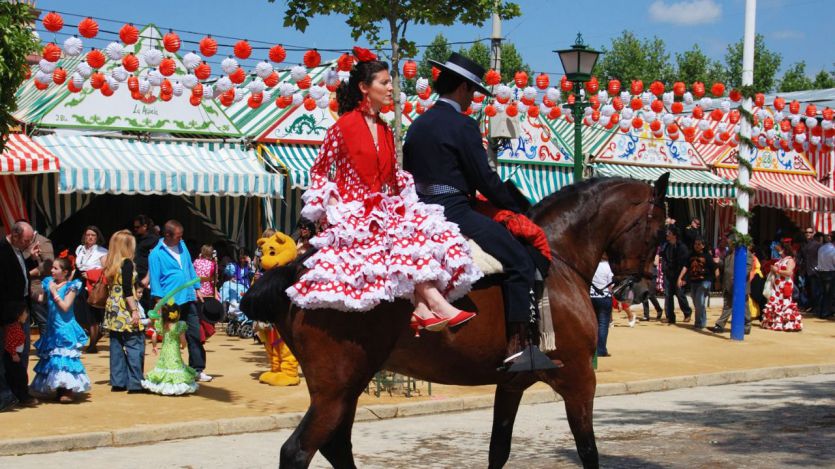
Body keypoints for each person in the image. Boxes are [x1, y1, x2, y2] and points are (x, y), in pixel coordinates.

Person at [286, 47, 481, 338]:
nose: (391, 88)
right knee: (403, 237)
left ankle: (423, 307)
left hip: (385, 209)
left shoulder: (387, 130)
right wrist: (333, 199)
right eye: (384, 82)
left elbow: (391, 178)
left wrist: (405, 202)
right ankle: (430, 303)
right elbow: (319, 170)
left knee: (421, 234)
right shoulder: (343, 127)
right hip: (354, 213)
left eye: (390, 82)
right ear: (365, 88)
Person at [403, 52, 556, 372]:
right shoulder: (462, 125)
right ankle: (520, 347)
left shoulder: (416, 125)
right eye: (471, 91)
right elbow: (483, 179)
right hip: (455, 211)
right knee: (520, 260)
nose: (472, 99)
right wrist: (519, 206)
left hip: (419, 212)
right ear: (461, 88)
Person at [148, 220, 210, 382]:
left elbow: (189, 267)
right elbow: (154, 279)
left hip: (189, 297)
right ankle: (173, 369)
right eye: (178, 236)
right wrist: (159, 302)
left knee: (195, 334)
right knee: (172, 336)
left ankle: (197, 369)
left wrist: (197, 288)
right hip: (170, 301)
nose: (181, 238)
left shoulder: (182, 246)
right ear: (167, 235)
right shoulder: (156, 253)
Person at [31, 257, 91, 403]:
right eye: (52, 268)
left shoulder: (72, 286)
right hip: (52, 328)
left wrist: (54, 292)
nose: (52, 270)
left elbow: (65, 307)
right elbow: (41, 299)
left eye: (55, 268)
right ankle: (58, 387)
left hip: (65, 328)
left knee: (65, 358)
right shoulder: (48, 283)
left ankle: (67, 390)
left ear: (65, 272)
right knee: (53, 358)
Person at [0, 221, 41, 411]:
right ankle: (7, 394)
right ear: (15, 235)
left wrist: (31, 259)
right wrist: (11, 314)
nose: (28, 243)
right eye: (26, 240)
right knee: (9, 355)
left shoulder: (18, 250)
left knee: (20, 354)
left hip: (21, 310)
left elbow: (21, 274)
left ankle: (20, 391)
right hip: (8, 313)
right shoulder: (3, 251)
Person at [102, 229, 146, 393]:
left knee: (116, 344)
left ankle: (118, 381)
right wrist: (134, 310)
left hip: (112, 308)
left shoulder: (110, 263)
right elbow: (127, 289)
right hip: (124, 308)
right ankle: (135, 382)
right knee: (135, 344)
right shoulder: (127, 263)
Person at [141, 302, 198, 395]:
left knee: (164, 365)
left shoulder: (162, 324)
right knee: (175, 365)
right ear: (177, 314)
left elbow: (154, 335)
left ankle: (162, 385)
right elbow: (182, 339)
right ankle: (176, 387)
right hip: (174, 351)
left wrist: (154, 346)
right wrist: (184, 345)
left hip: (165, 351)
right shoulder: (179, 325)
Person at [74, 225, 108, 353]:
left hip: (93, 284)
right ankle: (96, 334)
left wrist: (91, 274)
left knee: (92, 315)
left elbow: (106, 269)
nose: (90, 237)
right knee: (78, 312)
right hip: (80, 281)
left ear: (97, 237)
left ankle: (92, 344)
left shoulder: (102, 251)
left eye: (93, 235)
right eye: (88, 235)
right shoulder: (80, 249)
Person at [710, 235, 753, 334]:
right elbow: (726, 266)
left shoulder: (746, 253)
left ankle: (747, 325)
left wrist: (739, 277)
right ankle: (720, 325)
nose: (728, 244)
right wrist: (719, 261)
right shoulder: (729, 252)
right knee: (727, 305)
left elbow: (748, 267)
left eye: (730, 243)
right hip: (728, 284)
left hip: (740, 284)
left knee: (744, 306)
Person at [761, 240, 803, 331]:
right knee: (775, 301)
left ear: (784, 250)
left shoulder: (790, 260)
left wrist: (777, 271)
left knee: (785, 302)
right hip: (777, 285)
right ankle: (774, 323)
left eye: (780, 250)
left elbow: (789, 272)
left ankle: (787, 323)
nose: (778, 252)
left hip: (785, 285)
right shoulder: (781, 260)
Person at [677, 238, 719, 330]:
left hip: (705, 281)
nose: (697, 246)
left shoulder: (707, 256)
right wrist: (680, 277)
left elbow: (715, 268)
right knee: (697, 303)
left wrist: (717, 281)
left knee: (699, 302)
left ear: (703, 246)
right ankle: (699, 322)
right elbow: (686, 267)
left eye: (699, 244)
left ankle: (700, 323)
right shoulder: (690, 255)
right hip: (694, 282)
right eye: (695, 244)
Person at [3, 309, 38, 407]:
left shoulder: (16, 326)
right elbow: (9, 343)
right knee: (19, 376)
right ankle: (21, 396)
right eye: (25, 313)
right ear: (18, 316)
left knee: (17, 376)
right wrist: (14, 354)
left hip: (15, 355)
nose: (27, 315)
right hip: (13, 356)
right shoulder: (13, 328)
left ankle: (19, 395)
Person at [661, 227, 692, 324]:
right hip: (669, 274)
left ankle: (687, 313)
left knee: (680, 294)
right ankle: (670, 317)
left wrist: (683, 278)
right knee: (668, 295)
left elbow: (686, 264)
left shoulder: (682, 247)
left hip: (679, 274)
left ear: (674, 235)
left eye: (669, 233)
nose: (667, 235)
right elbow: (664, 257)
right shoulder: (666, 246)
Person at [132, 215, 159, 311]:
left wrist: (147, 277)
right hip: (136, 274)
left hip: (146, 275)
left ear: (145, 226)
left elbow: (155, 260)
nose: (135, 229)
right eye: (134, 227)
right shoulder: (136, 238)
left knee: (147, 302)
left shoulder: (154, 239)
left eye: (138, 227)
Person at [591, 256, 614, 357]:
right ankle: (601, 349)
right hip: (604, 297)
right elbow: (610, 285)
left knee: (593, 323)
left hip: (591, 296)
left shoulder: (592, 264)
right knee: (603, 324)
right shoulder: (608, 267)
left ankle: (592, 348)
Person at [799, 227, 822, 316]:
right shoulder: (803, 244)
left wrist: (818, 268)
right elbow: (800, 256)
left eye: (810, 232)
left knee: (815, 290)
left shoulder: (817, 244)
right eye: (806, 232)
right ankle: (810, 306)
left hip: (814, 271)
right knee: (806, 290)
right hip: (805, 270)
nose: (808, 233)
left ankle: (816, 308)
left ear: (813, 233)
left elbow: (821, 257)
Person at [817, 232, 835, 319]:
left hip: (821, 272)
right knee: (829, 294)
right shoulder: (833, 250)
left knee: (823, 293)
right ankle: (825, 312)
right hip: (830, 272)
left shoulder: (821, 248)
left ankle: (820, 311)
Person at [642, 252, 664, 321]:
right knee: (644, 295)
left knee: (651, 295)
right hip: (644, 275)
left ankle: (659, 309)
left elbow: (656, 263)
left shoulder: (655, 253)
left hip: (652, 275)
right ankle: (646, 315)